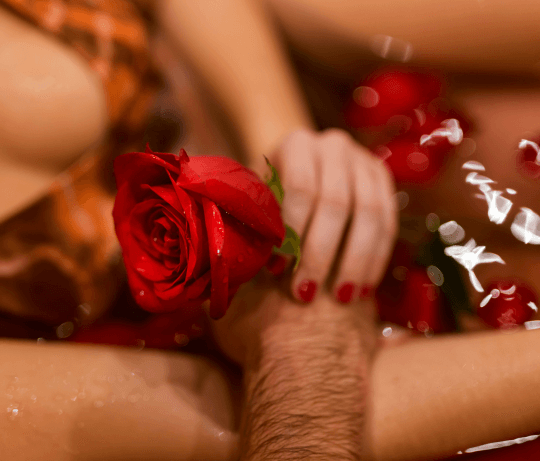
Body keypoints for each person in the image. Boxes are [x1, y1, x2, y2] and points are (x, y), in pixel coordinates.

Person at [1, 0, 540, 460]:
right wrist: (297, 330)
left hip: (272, 61)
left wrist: (282, 144)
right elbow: (225, 417)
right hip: (266, 342)